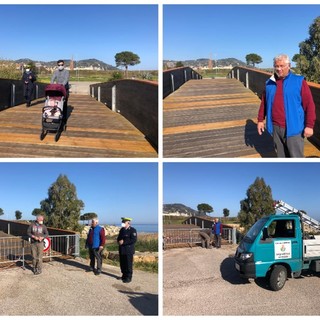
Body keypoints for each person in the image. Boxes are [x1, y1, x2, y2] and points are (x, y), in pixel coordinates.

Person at [257, 54, 316, 158]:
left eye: (282, 66)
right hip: (275, 128)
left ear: (289, 65)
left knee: (296, 158)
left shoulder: (299, 81)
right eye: (276, 66)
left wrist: (309, 126)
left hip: (294, 128)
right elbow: (264, 103)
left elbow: (309, 105)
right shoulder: (269, 83)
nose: (279, 69)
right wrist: (260, 120)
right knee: (281, 157)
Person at [117, 217, 137, 283]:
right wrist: (119, 241)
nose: (122, 223)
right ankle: (124, 275)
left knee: (128, 264)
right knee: (122, 264)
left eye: (124, 222)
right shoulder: (122, 230)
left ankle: (129, 277)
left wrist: (124, 242)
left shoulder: (132, 230)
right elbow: (119, 238)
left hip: (128, 250)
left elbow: (133, 240)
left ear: (128, 223)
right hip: (122, 249)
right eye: (122, 222)